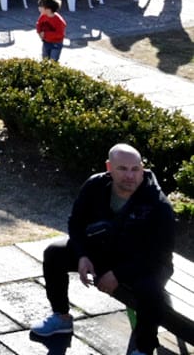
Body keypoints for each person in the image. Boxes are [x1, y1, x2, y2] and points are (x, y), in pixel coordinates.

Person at [29, 143, 174, 355]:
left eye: (135, 169)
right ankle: (61, 317)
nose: (130, 175)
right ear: (109, 167)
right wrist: (82, 255)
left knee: (150, 290)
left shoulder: (158, 205)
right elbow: (75, 222)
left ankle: (144, 347)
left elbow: (157, 254)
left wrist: (118, 274)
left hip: (144, 263)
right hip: (105, 251)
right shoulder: (95, 185)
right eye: (122, 169)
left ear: (142, 168)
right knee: (54, 252)